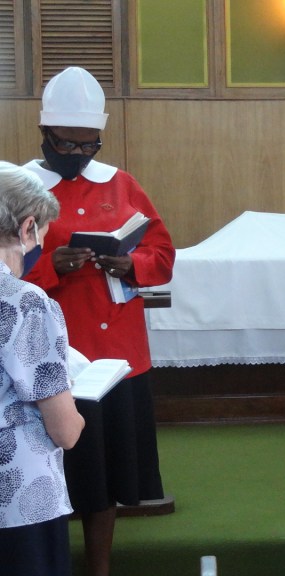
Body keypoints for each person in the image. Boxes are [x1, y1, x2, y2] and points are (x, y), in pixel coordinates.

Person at [21, 66, 175, 576]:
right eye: (67, 145)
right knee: (48, 469)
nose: (79, 155)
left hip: (115, 358)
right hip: (48, 353)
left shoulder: (121, 183)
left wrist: (131, 264)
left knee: (104, 476)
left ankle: (99, 568)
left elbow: (162, 253)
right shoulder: (19, 186)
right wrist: (51, 266)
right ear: (45, 133)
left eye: (89, 145)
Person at [0, 161, 86, 576]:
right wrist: (77, 417)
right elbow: (65, 431)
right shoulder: (24, 300)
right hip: (18, 495)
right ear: (27, 227)